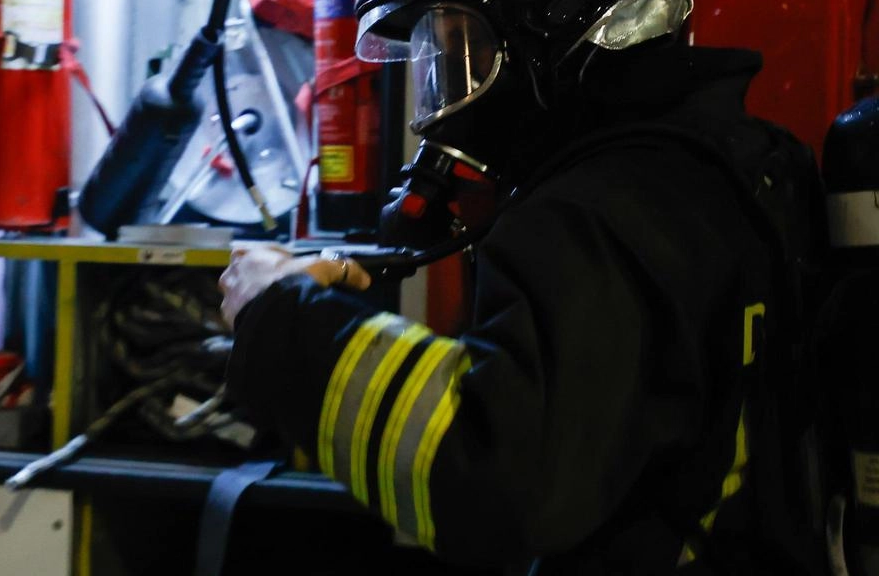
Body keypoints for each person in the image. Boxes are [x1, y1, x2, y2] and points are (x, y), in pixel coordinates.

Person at [218, 0, 821, 573]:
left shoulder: (591, 215)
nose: (445, 96)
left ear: (552, 19)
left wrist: (281, 318)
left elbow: (495, 475)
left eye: (459, 41)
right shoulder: (743, 163)